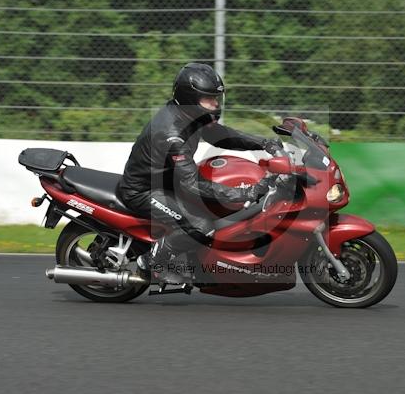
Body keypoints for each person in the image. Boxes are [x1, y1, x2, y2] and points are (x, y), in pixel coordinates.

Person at [116, 63, 281, 285]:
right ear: (190, 99)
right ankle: (153, 263)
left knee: (215, 206)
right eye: (209, 99)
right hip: (143, 190)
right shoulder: (171, 134)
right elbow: (191, 185)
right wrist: (247, 193)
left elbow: (220, 135)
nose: (215, 104)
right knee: (200, 225)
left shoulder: (188, 116)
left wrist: (264, 142)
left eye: (216, 98)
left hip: (167, 182)